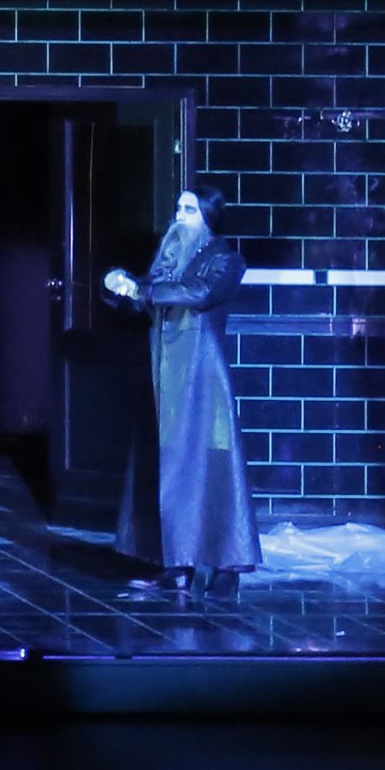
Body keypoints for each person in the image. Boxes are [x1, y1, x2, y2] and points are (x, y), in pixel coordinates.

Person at [102, 183, 261, 598]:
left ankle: (226, 563)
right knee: (168, 466)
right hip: (165, 379)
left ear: (208, 217)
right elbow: (145, 296)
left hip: (202, 380)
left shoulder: (226, 259)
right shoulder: (170, 259)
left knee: (212, 468)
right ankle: (176, 565)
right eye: (178, 208)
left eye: (189, 210)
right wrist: (122, 286)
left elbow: (200, 294)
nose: (178, 216)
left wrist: (144, 290)